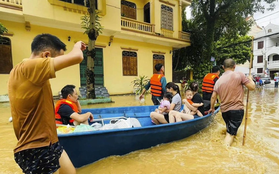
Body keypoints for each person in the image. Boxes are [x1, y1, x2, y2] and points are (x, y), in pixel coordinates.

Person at [8, 33, 86, 174]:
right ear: (46, 56)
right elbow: (77, 57)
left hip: (49, 143)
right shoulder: (30, 67)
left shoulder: (23, 71)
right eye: (57, 60)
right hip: (36, 148)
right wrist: (77, 46)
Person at [208, 59, 255, 146]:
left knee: (230, 130)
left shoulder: (218, 81)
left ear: (223, 67)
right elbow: (252, 87)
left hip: (224, 111)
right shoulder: (239, 75)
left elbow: (213, 97)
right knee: (230, 134)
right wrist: (250, 79)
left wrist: (212, 108)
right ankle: (224, 153)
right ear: (234, 66)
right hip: (236, 110)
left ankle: (230, 144)